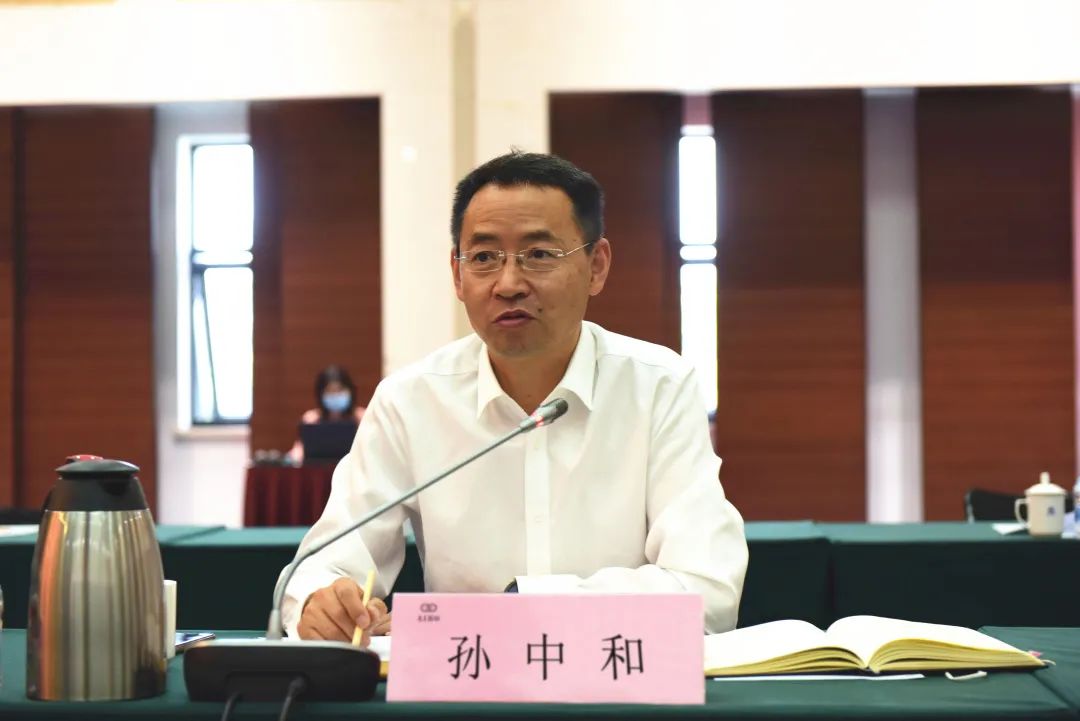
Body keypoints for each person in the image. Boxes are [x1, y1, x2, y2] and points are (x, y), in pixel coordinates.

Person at [280, 151, 747, 642]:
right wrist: (319, 603)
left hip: (617, 677)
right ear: (458, 275)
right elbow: (325, 564)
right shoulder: (411, 401)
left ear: (597, 266)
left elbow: (707, 591)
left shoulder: (659, 387)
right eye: (484, 258)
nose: (508, 284)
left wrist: (521, 607)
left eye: (539, 255)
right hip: (468, 681)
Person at [286, 365, 366, 464]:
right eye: (330, 391)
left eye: (339, 390)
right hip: (318, 472)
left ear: (350, 391)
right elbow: (299, 452)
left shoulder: (362, 418)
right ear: (321, 394)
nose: (335, 395)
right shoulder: (311, 420)